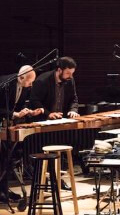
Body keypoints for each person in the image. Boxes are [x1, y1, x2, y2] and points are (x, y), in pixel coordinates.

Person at [29, 56, 80, 191]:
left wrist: (73, 110)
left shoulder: (70, 80)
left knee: (61, 151)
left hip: (60, 122)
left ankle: (58, 179)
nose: (70, 76)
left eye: (72, 73)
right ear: (59, 70)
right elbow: (34, 101)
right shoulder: (42, 81)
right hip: (43, 123)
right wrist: (48, 113)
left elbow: (74, 98)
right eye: (68, 73)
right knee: (46, 152)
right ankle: (44, 180)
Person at [0, 65, 41, 203]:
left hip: (8, 125)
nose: (31, 85)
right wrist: (13, 114)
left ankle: (4, 190)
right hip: (1, 123)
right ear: (22, 77)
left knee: (7, 159)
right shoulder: (4, 84)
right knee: (2, 159)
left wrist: (27, 111)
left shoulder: (24, 87)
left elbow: (18, 105)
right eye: (29, 81)